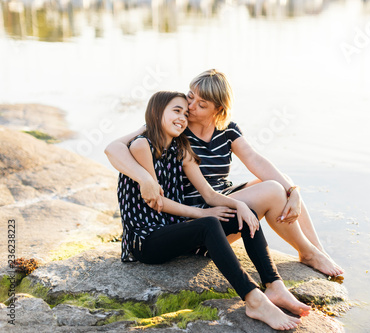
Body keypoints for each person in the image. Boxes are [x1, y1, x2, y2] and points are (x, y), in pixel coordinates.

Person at [105, 69, 344, 277]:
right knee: (273, 190)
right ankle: (307, 252)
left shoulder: (227, 129)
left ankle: (317, 250)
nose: (190, 106)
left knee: (282, 184)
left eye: (202, 104)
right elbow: (116, 147)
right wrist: (144, 178)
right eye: (191, 97)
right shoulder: (176, 126)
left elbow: (253, 159)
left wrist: (294, 192)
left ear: (218, 109)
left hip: (221, 196)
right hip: (197, 214)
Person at [115, 91, 310, 330]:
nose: (183, 118)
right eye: (176, 111)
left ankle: (273, 284)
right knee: (208, 223)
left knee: (242, 212)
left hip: (172, 231)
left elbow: (209, 194)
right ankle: (254, 299)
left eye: (185, 113)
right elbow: (158, 203)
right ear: (157, 113)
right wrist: (204, 214)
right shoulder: (141, 145)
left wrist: (240, 205)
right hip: (145, 242)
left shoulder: (181, 148)